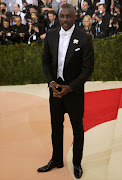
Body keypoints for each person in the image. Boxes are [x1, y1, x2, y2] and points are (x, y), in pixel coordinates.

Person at [37, 3, 94, 179]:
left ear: (75, 17)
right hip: (55, 90)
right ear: (58, 16)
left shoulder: (84, 38)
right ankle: (56, 160)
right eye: (62, 16)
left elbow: (88, 69)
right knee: (55, 126)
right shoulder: (51, 35)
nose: (65, 20)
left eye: (69, 16)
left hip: (74, 91)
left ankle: (76, 163)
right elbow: (45, 61)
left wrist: (71, 87)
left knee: (77, 127)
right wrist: (51, 82)